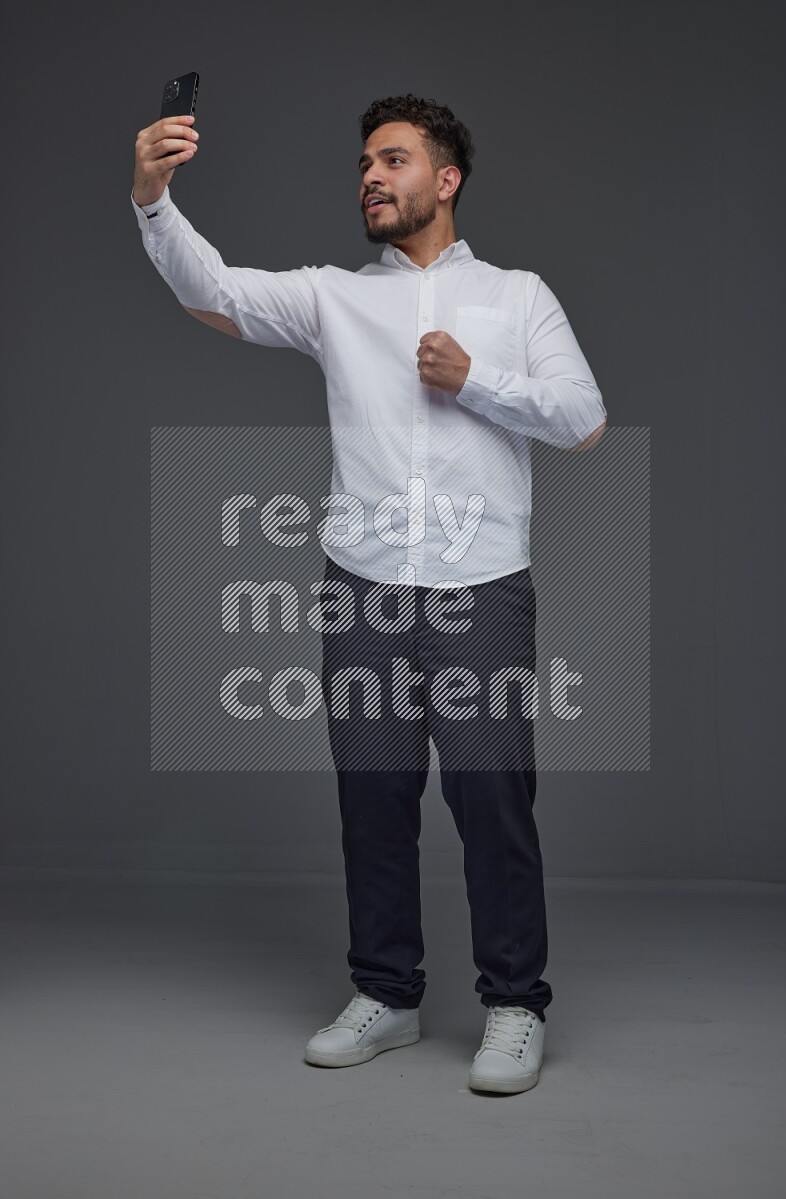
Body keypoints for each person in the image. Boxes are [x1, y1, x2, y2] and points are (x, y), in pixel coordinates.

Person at [131, 93, 606, 1095]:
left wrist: (477, 380)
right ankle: (386, 994)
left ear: (447, 178)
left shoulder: (518, 297)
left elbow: (583, 419)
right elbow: (210, 290)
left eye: (391, 160)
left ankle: (512, 1003)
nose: (370, 178)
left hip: (480, 587)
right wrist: (152, 196)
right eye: (362, 165)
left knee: (493, 799)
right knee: (373, 800)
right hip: (364, 593)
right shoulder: (332, 298)